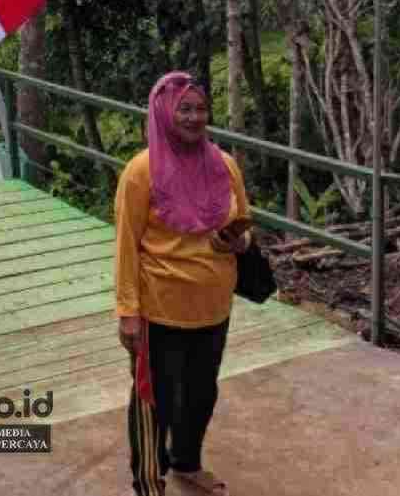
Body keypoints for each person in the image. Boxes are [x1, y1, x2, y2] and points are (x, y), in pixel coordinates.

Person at [114, 71, 251, 496]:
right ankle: (148, 482)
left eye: (200, 109)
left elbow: (245, 227)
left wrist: (238, 241)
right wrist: (128, 313)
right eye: (183, 109)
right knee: (154, 403)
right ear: (163, 113)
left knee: (200, 396)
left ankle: (187, 463)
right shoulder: (141, 172)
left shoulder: (224, 165)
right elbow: (126, 245)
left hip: (213, 307)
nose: (194, 118)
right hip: (160, 308)